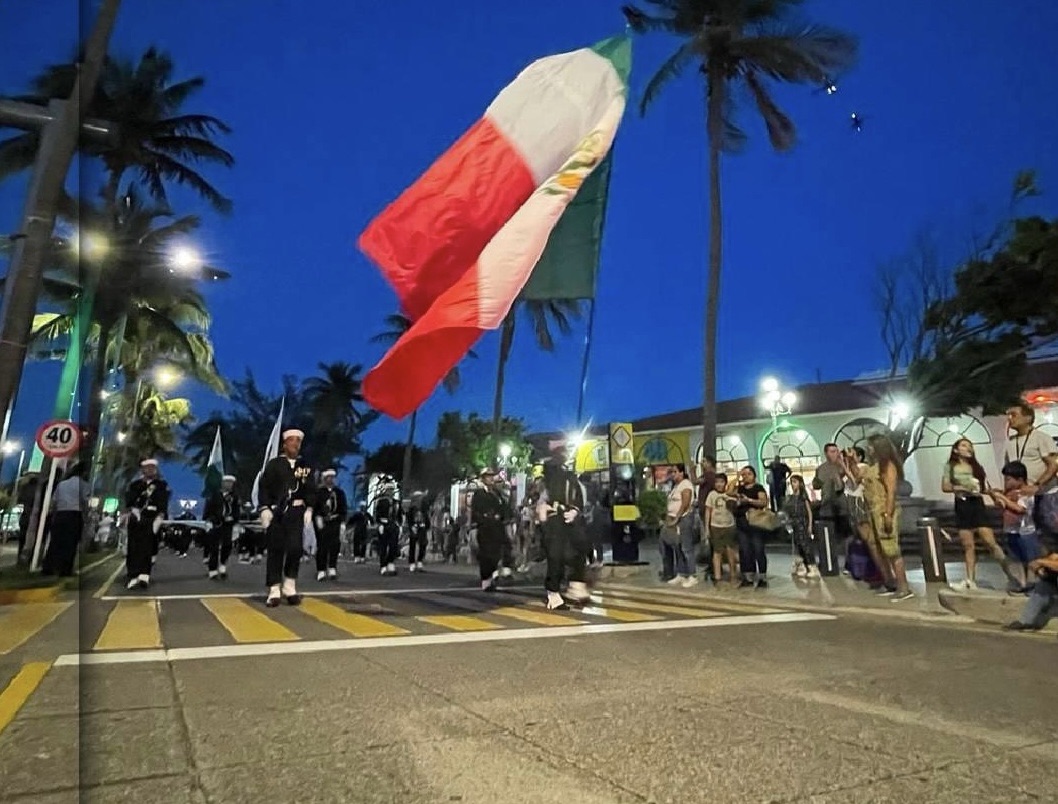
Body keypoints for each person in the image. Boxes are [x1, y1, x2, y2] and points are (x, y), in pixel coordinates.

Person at [846, 434, 913, 602]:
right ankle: (889, 582)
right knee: (877, 547)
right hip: (871, 510)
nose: (868, 449)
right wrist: (852, 461)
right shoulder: (872, 467)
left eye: (871, 446)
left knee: (891, 549)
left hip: (883, 509)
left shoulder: (888, 466)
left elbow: (891, 492)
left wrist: (888, 515)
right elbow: (857, 477)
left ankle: (903, 587)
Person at [942, 438, 1012, 590]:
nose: (968, 448)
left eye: (970, 445)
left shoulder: (976, 467)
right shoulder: (950, 466)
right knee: (968, 545)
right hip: (962, 504)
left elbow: (984, 487)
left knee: (990, 542)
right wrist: (959, 487)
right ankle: (970, 580)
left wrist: (994, 497)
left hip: (977, 504)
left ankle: (1011, 575)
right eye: (964, 445)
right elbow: (945, 486)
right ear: (956, 450)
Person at [258, 429, 315, 607]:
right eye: (292, 441)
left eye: (298, 441)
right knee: (275, 550)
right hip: (278, 512)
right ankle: (274, 589)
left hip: (297, 512)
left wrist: (310, 508)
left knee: (295, 548)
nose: (295, 444)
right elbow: (264, 486)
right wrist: (264, 508)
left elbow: (311, 488)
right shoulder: (275, 464)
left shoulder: (305, 466)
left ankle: (290, 586)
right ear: (285, 444)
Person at [537, 453, 590, 610]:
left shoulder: (570, 480)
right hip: (554, 522)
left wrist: (574, 511)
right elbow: (542, 503)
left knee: (578, 550)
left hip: (568, 521)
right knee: (556, 557)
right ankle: (553, 593)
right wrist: (544, 517)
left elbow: (577, 499)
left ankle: (575, 586)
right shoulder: (548, 483)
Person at [1004, 401, 1058, 543]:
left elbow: (1053, 465)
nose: (1010, 418)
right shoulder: (1010, 442)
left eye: (1014, 415)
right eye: (1008, 415)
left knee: (1052, 531)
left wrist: (1037, 485)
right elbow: (1008, 470)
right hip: (1023, 497)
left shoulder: (1041, 437)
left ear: (1027, 418)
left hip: (1045, 494)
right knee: (1032, 536)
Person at [124, 458, 171, 590]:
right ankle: (133, 574)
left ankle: (144, 575)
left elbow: (163, 503)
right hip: (136, 518)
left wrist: (160, 517)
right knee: (133, 547)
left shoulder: (161, 485)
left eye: (153, 468)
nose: (150, 470)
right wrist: (134, 511)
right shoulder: (135, 485)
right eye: (147, 468)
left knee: (148, 547)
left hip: (152, 518)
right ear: (143, 470)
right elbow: (130, 501)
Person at [42, 462, 88, 577]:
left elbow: (54, 500)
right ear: (83, 473)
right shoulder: (83, 484)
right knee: (70, 543)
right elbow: (84, 501)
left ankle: (48, 567)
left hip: (60, 514)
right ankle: (65, 569)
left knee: (55, 542)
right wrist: (85, 516)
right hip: (74, 515)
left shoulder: (62, 484)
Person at [471, 468, 507, 591]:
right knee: (486, 554)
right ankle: (486, 580)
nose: (491, 478)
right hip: (485, 528)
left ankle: (492, 576)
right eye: (488, 476)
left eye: (492, 476)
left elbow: (504, 508)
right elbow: (475, 511)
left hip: (497, 528)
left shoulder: (497, 493)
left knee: (496, 554)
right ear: (483, 478)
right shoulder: (479, 493)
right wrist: (480, 522)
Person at [313, 469, 347, 581]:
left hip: (335, 521)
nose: (331, 479)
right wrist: (317, 518)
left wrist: (342, 522)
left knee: (334, 545)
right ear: (324, 479)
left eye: (333, 477)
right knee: (322, 546)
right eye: (329, 477)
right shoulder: (319, 492)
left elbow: (343, 508)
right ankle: (321, 570)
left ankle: (332, 567)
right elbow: (315, 508)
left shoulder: (339, 492)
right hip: (322, 522)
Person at [705, 473, 739, 586]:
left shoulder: (730, 493)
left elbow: (735, 507)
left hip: (729, 526)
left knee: (730, 551)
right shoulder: (711, 495)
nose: (719, 485)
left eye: (721, 482)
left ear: (725, 483)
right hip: (716, 526)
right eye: (717, 482)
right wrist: (707, 527)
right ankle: (717, 576)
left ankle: (733, 575)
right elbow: (708, 511)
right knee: (717, 552)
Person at [203, 474, 239, 580]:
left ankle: (223, 564)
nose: (229, 485)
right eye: (227, 482)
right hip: (216, 523)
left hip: (228, 524)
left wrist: (234, 520)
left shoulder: (234, 497)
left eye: (231, 483)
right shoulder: (215, 495)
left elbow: (236, 510)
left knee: (227, 545)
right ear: (222, 483)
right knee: (214, 547)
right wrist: (209, 520)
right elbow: (208, 509)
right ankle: (212, 569)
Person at [784, 474, 819, 579]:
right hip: (794, 524)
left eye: (794, 482)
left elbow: (809, 512)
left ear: (800, 483)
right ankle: (802, 565)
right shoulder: (790, 498)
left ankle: (812, 566)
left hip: (803, 523)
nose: (792, 485)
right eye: (791, 482)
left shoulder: (803, 497)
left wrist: (809, 525)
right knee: (798, 545)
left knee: (806, 545)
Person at [407, 494, 429, 572]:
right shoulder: (412, 509)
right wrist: (411, 527)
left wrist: (426, 526)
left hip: (422, 528)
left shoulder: (424, 509)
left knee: (423, 545)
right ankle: (412, 563)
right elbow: (409, 519)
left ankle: (420, 561)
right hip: (414, 528)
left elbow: (426, 518)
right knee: (412, 546)